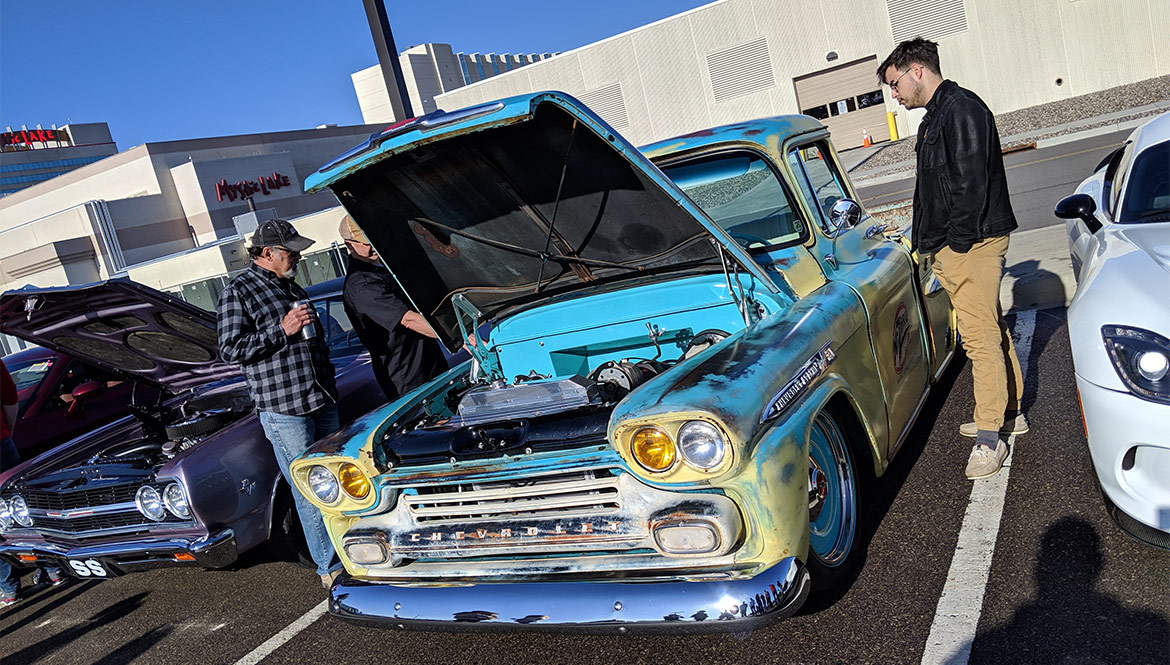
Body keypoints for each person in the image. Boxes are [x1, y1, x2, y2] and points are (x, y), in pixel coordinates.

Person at [878, 38, 1026, 480]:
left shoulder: (961, 110)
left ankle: (988, 439)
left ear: (917, 70)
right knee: (990, 329)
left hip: (972, 245)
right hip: (959, 244)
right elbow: (935, 191)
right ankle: (1008, 414)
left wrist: (955, 246)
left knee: (978, 341)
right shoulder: (936, 116)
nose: (894, 94)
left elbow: (970, 187)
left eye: (895, 83)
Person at [216, 218, 340, 587]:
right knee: (310, 489)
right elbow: (229, 349)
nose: (298, 256)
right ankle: (330, 569)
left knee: (336, 480)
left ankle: (353, 552)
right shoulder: (238, 292)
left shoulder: (290, 286)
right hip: (285, 408)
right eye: (291, 251)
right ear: (267, 253)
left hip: (322, 397)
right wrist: (281, 330)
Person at [338, 215, 448, 402]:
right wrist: (457, 337)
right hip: (407, 376)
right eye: (365, 242)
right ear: (349, 245)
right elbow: (407, 319)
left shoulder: (382, 270)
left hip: (429, 362)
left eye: (373, 238)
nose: (372, 245)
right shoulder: (362, 285)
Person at [1, 362, 64, 607]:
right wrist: (7, 431)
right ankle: (52, 568)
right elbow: (9, 400)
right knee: (23, 507)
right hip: (2, 440)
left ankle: (8, 588)